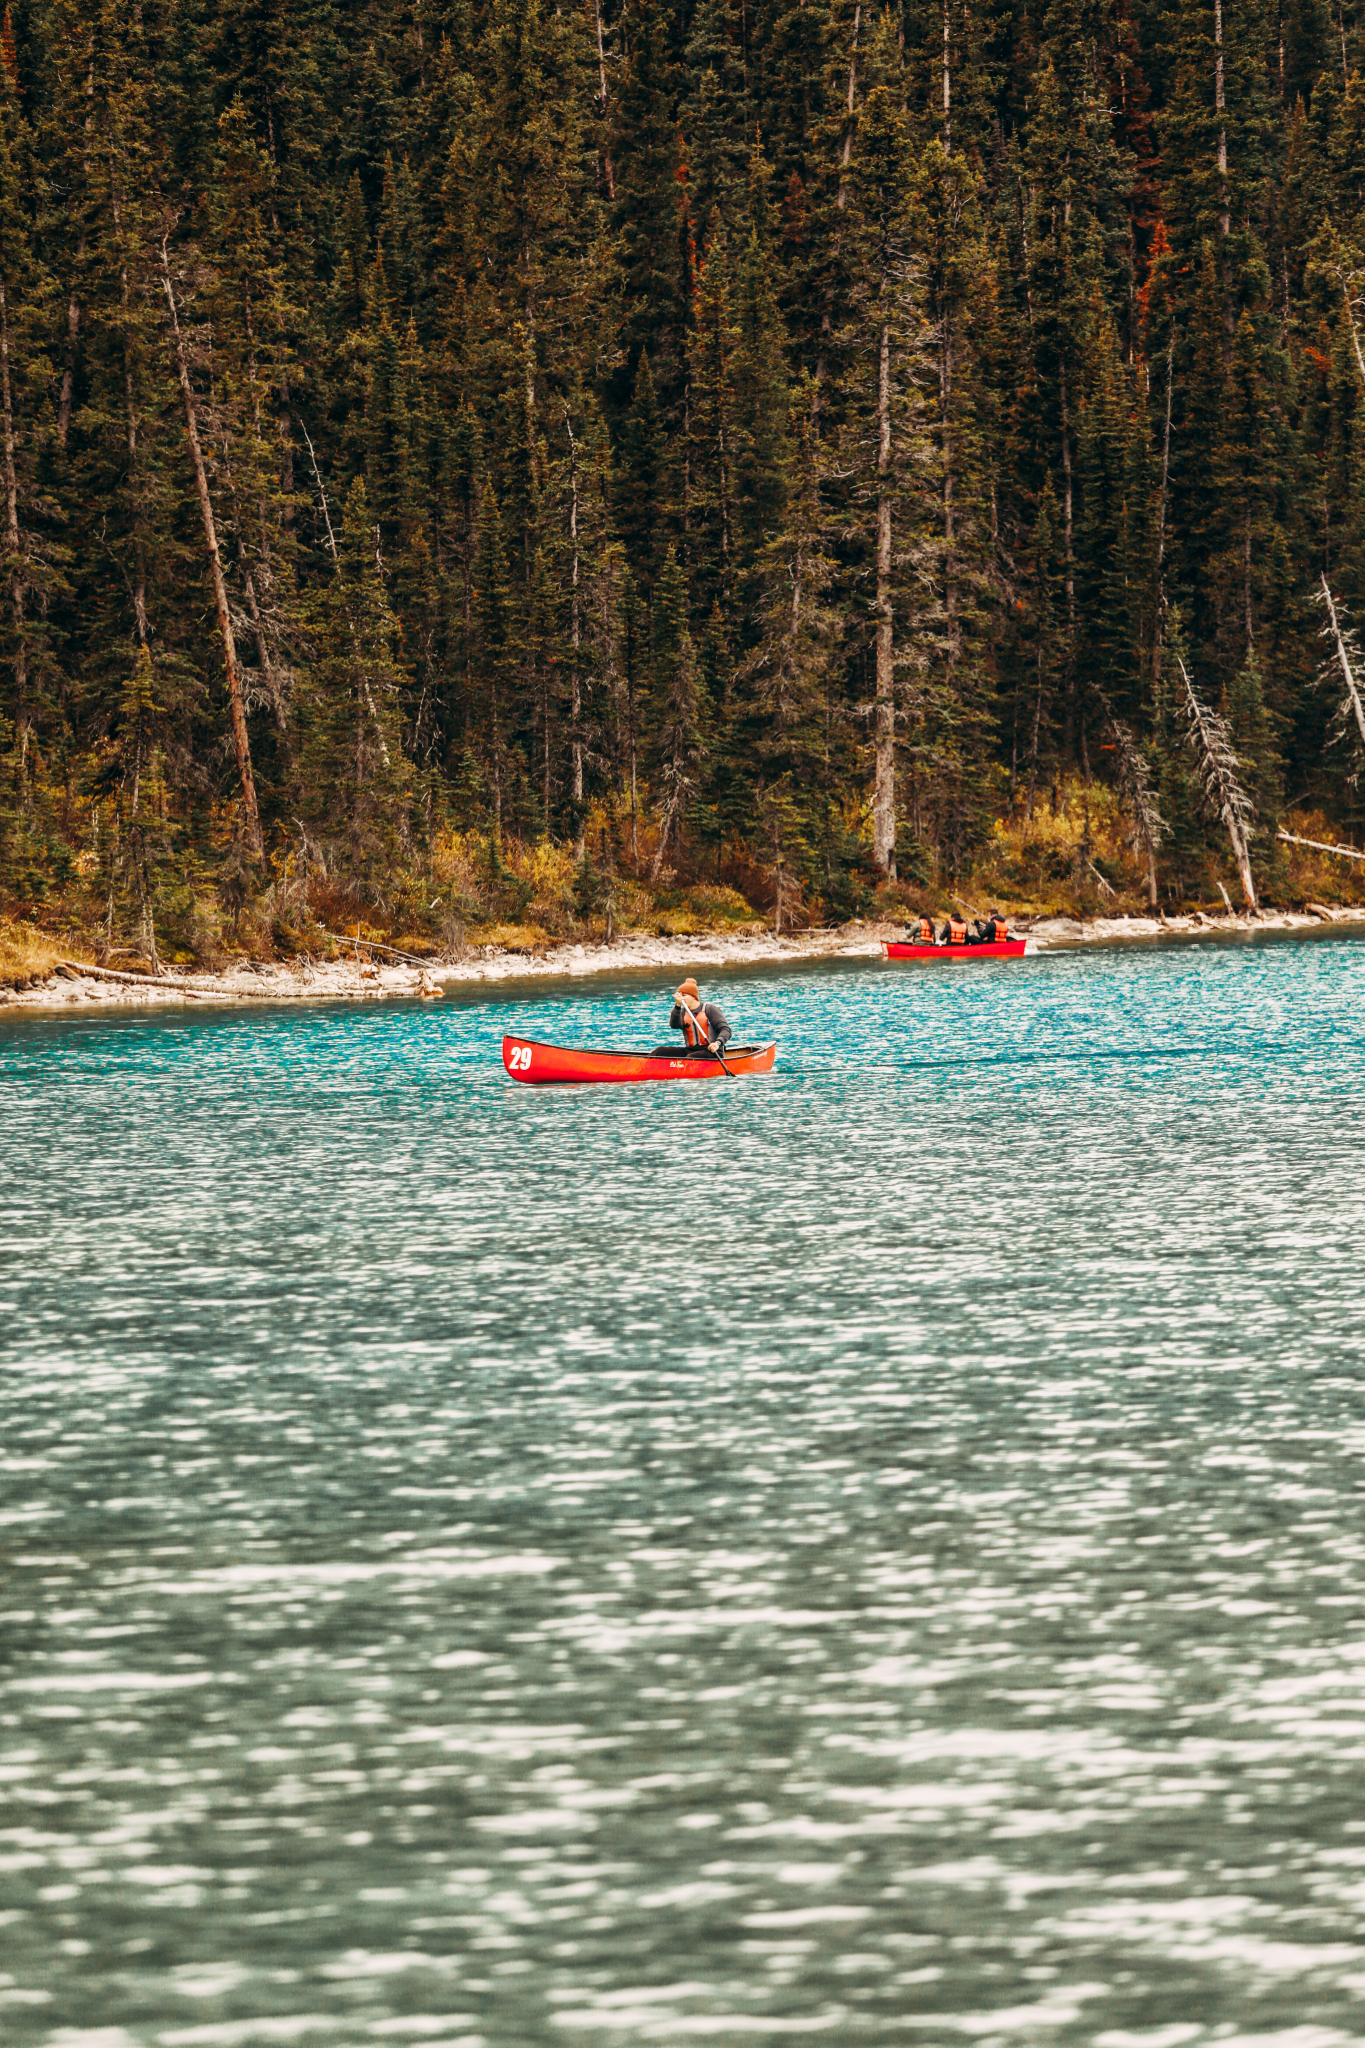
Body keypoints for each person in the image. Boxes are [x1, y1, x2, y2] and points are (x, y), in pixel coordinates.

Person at [669, 978, 732, 1056]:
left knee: (691, 1057)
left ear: (693, 996)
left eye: (684, 995)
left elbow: (726, 1030)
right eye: (680, 996)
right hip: (691, 1050)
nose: (681, 998)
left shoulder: (710, 1009)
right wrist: (677, 1006)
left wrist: (717, 1043)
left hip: (712, 1052)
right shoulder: (682, 1012)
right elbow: (674, 1025)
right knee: (661, 1051)